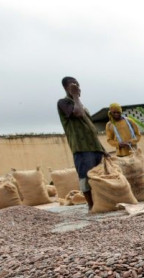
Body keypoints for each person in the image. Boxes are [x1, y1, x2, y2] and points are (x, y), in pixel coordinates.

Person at [56, 76, 108, 209]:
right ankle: (91, 205)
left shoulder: (82, 106)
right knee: (86, 176)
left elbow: (91, 129)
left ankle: (101, 203)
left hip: (94, 146)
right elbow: (77, 113)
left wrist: (102, 149)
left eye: (78, 85)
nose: (77, 88)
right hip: (82, 147)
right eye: (73, 86)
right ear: (66, 88)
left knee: (99, 177)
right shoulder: (63, 103)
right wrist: (75, 96)